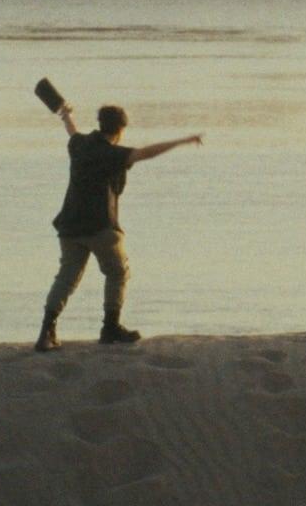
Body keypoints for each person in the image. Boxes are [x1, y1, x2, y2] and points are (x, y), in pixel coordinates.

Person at [35, 102, 202, 351]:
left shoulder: (80, 145)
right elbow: (146, 153)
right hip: (101, 227)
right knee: (118, 273)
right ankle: (110, 327)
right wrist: (182, 141)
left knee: (67, 277)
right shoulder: (113, 154)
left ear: (100, 124)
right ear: (120, 129)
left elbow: (72, 131)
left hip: (70, 226)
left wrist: (66, 115)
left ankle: (46, 332)